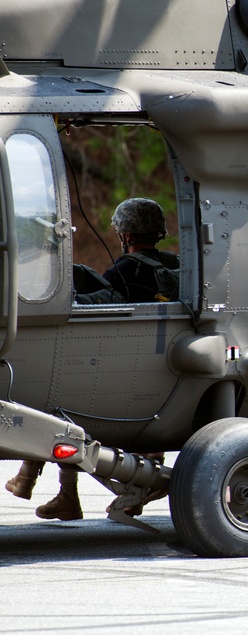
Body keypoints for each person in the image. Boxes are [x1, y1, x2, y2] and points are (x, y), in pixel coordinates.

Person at [5, 198, 177, 521]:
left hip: (120, 374)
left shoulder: (124, 271)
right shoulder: (174, 267)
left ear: (125, 236)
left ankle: (58, 491)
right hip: (157, 384)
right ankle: (49, 488)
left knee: (58, 405)